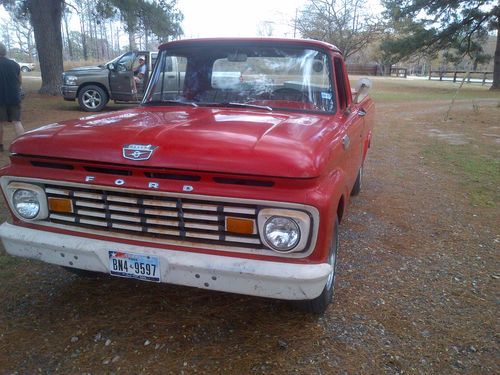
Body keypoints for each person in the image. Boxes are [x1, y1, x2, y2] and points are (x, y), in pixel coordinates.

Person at [0, 42, 25, 151]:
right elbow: (20, 81)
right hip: (14, 97)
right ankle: (23, 144)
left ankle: (0, 146)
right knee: (17, 121)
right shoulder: (15, 64)